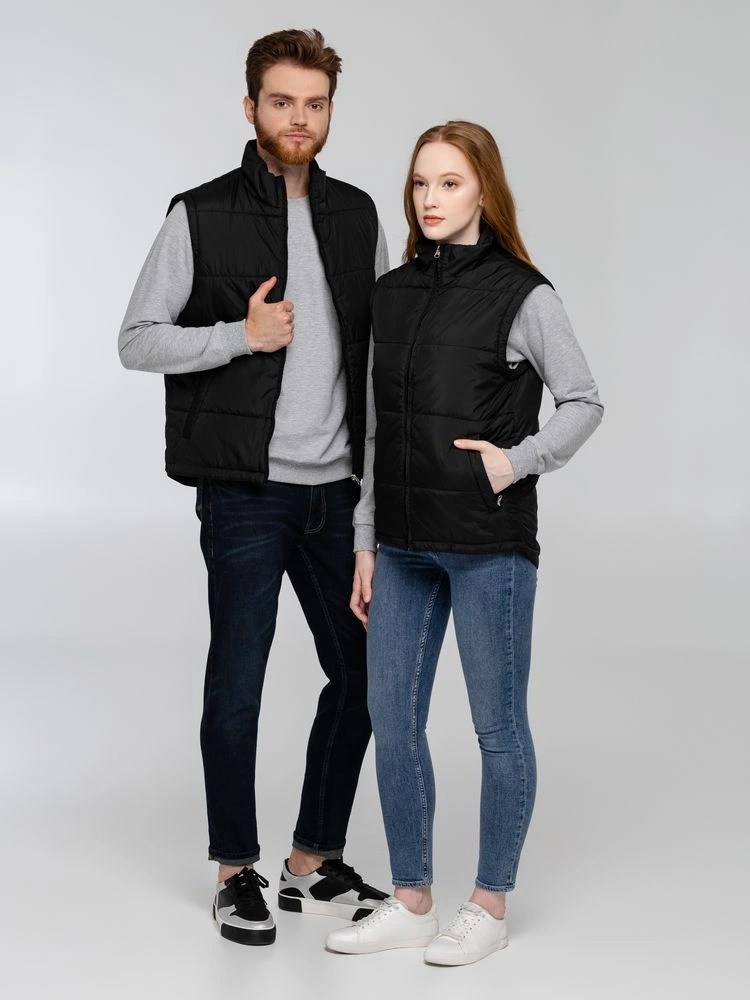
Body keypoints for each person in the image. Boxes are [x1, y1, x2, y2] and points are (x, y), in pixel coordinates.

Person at [118, 28, 390, 946]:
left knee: (364, 675)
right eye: (282, 102)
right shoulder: (199, 213)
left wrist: (371, 500)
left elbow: (376, 366)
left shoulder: (357, 216)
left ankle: (311, 860)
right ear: (251, 108)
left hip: (336, 493)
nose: (299, 118)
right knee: (238, 681)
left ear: (329, 111)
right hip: (244, 492)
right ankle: (236, 870)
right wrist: (241, 335)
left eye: (314, 103)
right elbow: (137, 339)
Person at [326, 121, 604, 965]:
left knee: (496, 727)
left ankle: (489, 904)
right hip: (402, 546)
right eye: (421, 183)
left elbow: (584, 401)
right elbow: (375, 428)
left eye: (449, 182)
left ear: (485, 189)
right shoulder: (392, 294)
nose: (431, 199)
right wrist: (365, 540)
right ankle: (412, 899)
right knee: (392, 720)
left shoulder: (523, 294)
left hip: (488, 545)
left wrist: (517, 462)